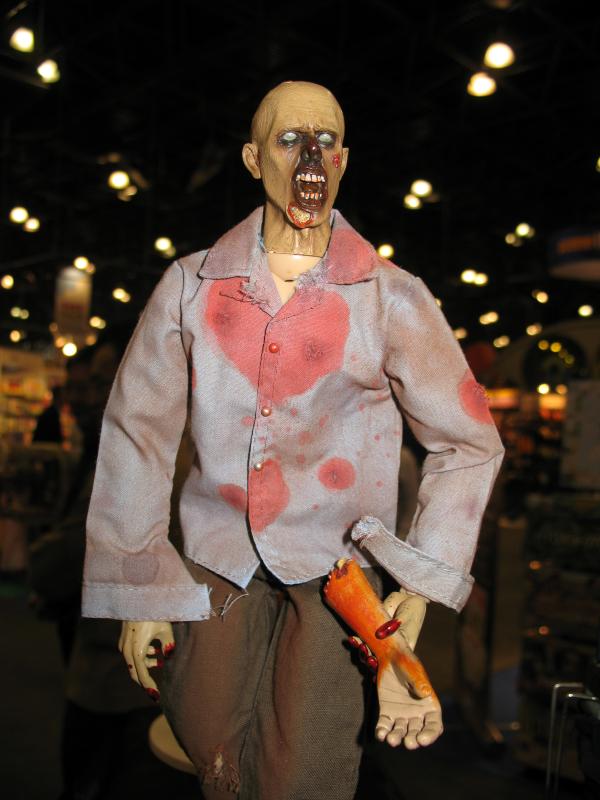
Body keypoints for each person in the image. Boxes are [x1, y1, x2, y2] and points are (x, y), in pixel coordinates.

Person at [82, 81, 504, 800]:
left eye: (325, 140)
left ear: (343, 160)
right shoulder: (190, 287)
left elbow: (468, 441)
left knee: (306, 768)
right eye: (288, 139)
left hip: (336, 574)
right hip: (217, 566)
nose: (310, 154)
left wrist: (419, 586)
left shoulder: (391, 296)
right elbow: (136, 433)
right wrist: (138, 583)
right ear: (253, 160)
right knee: (210, 744)